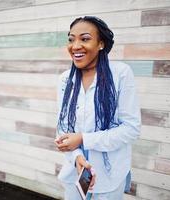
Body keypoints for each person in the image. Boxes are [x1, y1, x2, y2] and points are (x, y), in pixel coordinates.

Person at [54, 16, 141, 200]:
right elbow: (62, 127)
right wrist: (77, 156)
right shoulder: (65, 80)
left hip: (109, 177)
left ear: (101, 43)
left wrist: (84, 139)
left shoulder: (120, 74)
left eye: (85, 39)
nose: (75, 45)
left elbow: (131, 129)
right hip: (75, 174)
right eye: (71, 39)